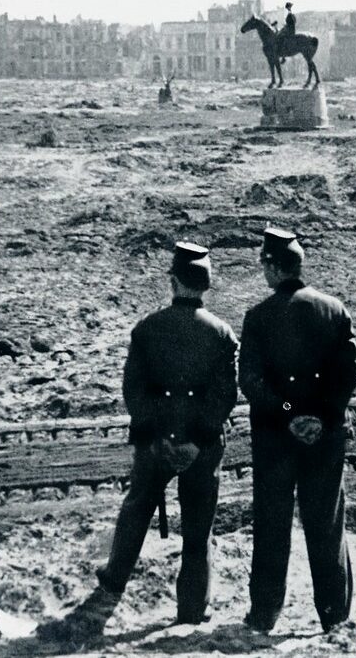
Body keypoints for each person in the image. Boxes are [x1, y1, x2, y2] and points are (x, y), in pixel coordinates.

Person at [95, 242, 239, 626]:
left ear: (173, 282)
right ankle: (192, 609)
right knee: (198, 525)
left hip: (154, 443)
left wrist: (158, 437)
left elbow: (134, 391)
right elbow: (225, 396)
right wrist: (196, 440)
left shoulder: (147, 328)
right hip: (203, 447)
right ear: (205, 285)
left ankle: (112, 585)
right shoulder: (223, 334)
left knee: (137, 508)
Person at [240, 227, 356, 634]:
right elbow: (349, 374)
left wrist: (291, 412)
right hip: (325, 437)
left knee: (272, 525)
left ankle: (264, 615)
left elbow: (252, 382)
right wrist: (321, 417)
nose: (262, 270)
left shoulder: (258, 317)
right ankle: (334, 616)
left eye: (263, 264)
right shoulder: (334, 309)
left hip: (276, 439)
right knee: (326, 523)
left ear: (274, 268)